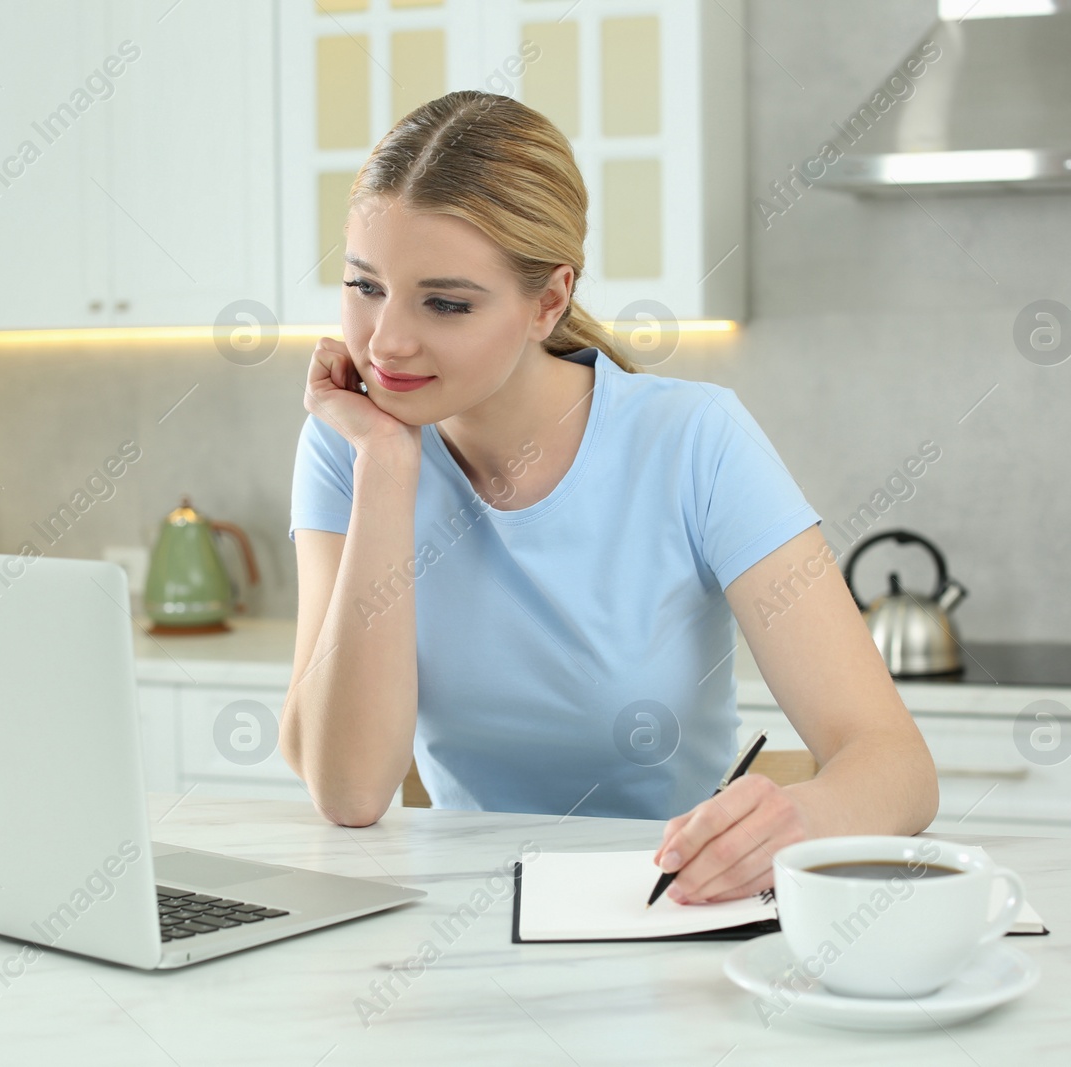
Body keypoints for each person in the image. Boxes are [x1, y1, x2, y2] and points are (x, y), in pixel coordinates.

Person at [281, 91, 937, 906]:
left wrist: (802, 818)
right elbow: (347, 791)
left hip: (669, 915)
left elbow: (895, 762)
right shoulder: (348, 445)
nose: (385, 342)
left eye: (445, 302)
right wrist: (385, 465)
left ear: (548, 300)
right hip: (461, 925)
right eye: (364, 286)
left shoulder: (694, 440)